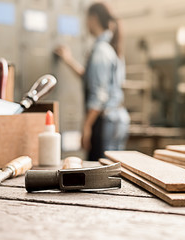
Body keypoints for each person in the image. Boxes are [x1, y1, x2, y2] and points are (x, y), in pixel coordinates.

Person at [55, 2, 130, 161]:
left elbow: (99, 94)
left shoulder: (100, 51)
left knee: (101, 174)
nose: (85, 24)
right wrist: (68, 60)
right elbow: (92, 79)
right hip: (117, 118)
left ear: (93, 18)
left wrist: (86, 126)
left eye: (86, 19)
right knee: (113, 172)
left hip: (105, 121)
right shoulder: (112, 48)